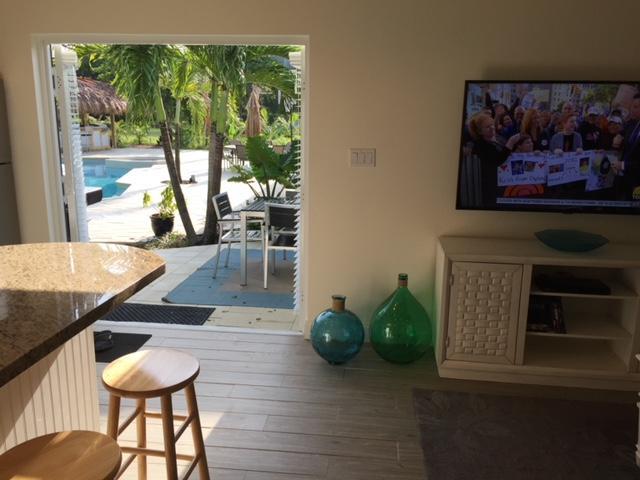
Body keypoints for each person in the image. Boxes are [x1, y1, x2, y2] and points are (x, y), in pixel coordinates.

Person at [468, 113, 521, 206]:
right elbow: (497, 161)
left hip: (504, 182)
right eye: (487, 127)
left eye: (492, 125)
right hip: (491, 185)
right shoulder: (480, 145)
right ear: (480, 131)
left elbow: (507, 153)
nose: (492, 128)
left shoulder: (498, 138)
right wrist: (511, 142)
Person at [615, 93, 640, 199]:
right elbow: (623, 134)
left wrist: (624, 165)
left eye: (635, 107)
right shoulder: (632, 124)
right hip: (624, 179)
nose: (632, 109)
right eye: (632, 106)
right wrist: (618, 136)